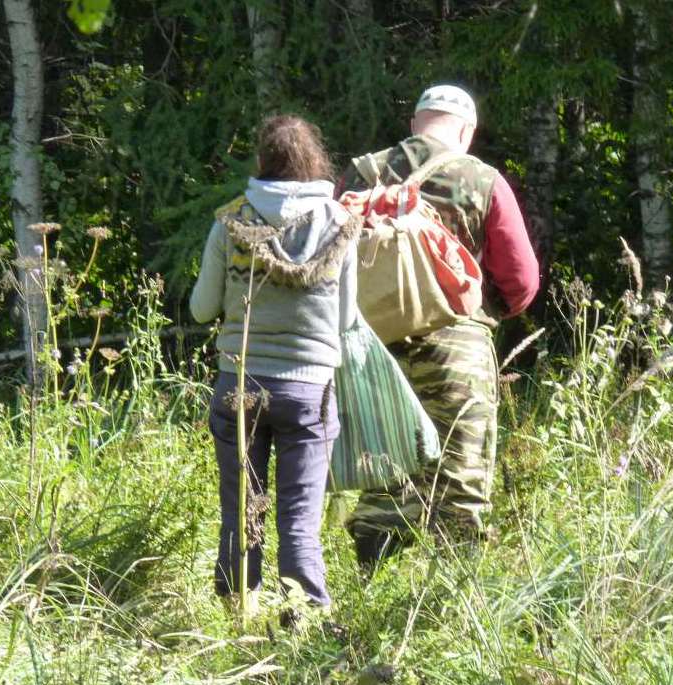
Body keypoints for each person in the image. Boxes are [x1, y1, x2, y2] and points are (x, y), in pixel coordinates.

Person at [338, 84, 540, 567]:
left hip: (369, 348)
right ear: (466, 132)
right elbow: (521, 280)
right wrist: (490, 310)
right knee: (461, 481)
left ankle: (368, 592)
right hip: (457, 346)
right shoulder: (482, 178)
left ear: (414, 124)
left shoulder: (363, 172)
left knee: (381, 472)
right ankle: (451, 611)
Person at [190, 114, 361, 612]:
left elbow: (202, 309)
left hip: (238, 382)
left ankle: (239, 610)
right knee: (300, 517)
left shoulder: (232, 221)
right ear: (315, 163)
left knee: (242, 509)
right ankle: (302, 616)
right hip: (309, 391)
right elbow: (346, 318)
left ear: (261, 162)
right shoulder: (341, 225)